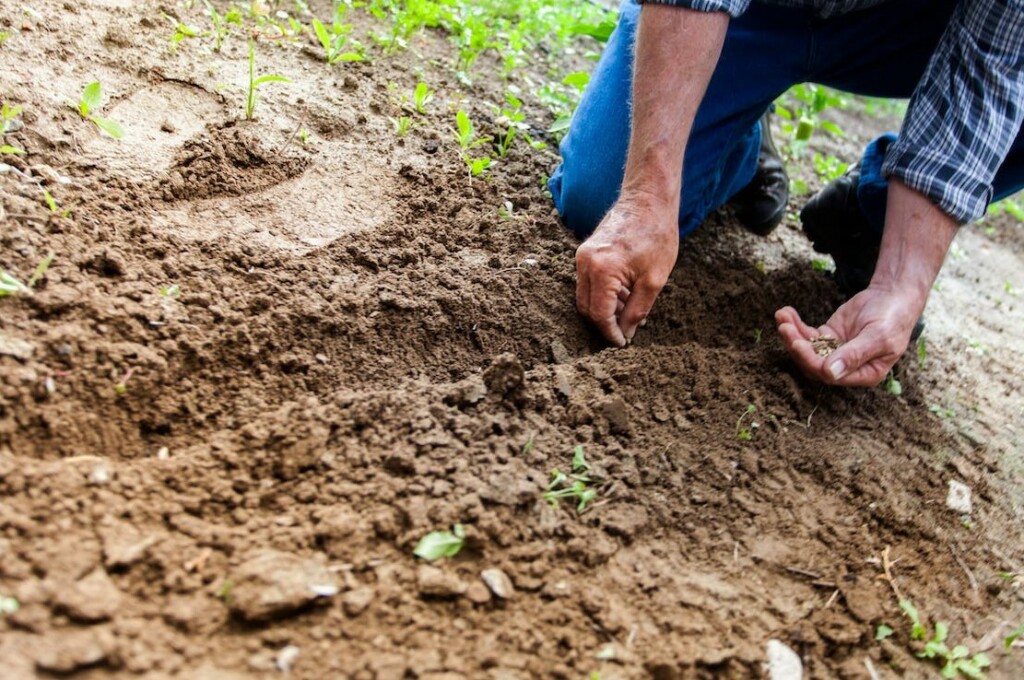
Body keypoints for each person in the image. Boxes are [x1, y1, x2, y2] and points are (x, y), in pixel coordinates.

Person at [548, 0, 1024, 387]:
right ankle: (739, 141)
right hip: (753, 12)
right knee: (602, 197)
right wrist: (646, 196)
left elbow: (990, 66)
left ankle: (870, 214)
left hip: (907, 27)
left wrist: (901, 283)